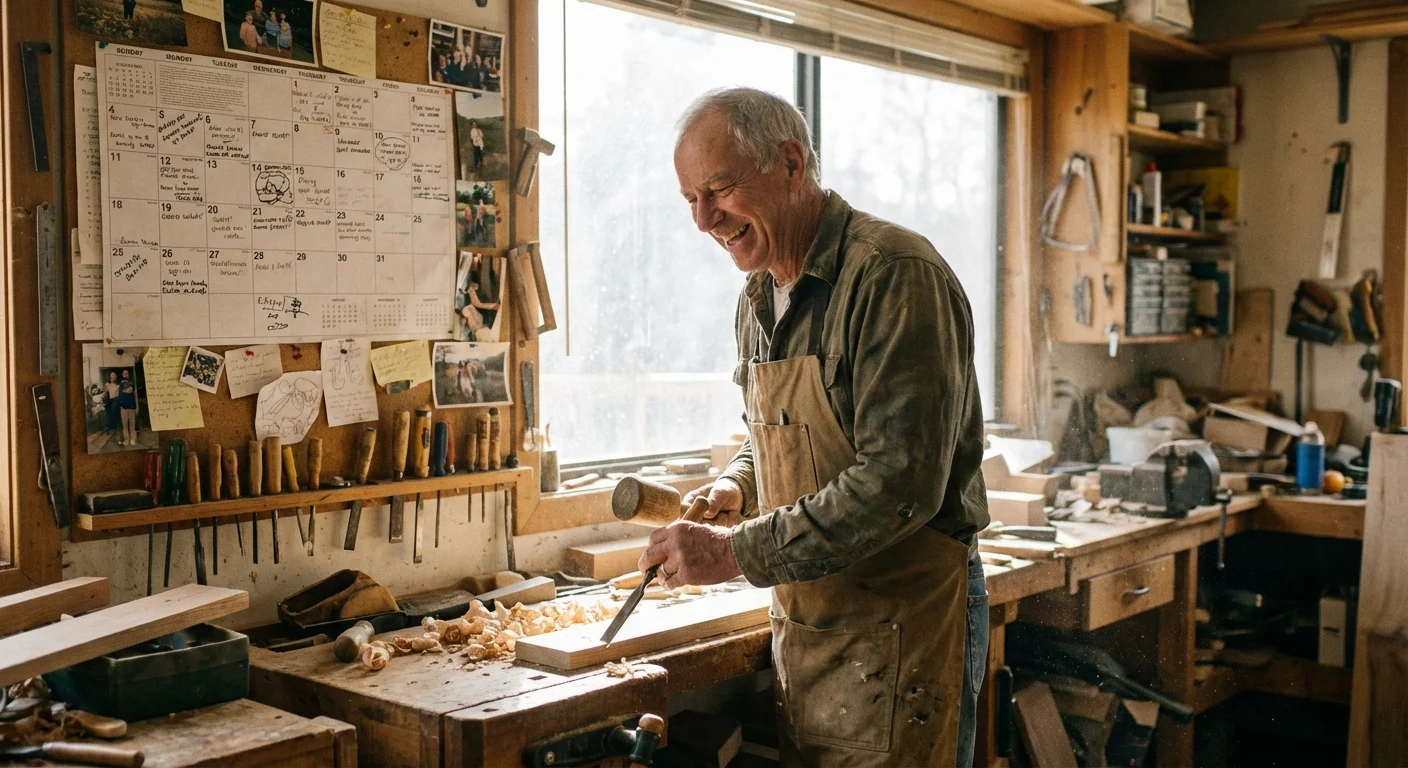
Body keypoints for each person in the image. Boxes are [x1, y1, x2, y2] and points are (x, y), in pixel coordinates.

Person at [644, 87, 990, 767]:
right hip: (812, 623)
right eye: (690, 199)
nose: (705, 218)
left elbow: (898, 484)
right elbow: (778, 427)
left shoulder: (894, 275)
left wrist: (731, 552)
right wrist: (738, 482)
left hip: (903, 622)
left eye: (719, 189)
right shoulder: (758, 296)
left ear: (792, 164)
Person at [119, 370, 139, 447]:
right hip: (123, 408)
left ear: (128, 374)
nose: (125, 374)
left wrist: (136, 406)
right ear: (122, 374)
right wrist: (126, 391)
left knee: (132, 424)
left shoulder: (132, 382)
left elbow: (131, 391)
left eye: (126, 373)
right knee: (124, 425)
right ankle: (126, 439)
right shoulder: (120, 383)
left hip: (131, 407)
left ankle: (133, 439)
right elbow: (121, 393)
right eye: (123, 373)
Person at [103, 371, 121, 440]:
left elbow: (117, 394)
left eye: (114, 376)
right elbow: (105, 392)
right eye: (112, 375)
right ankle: (108, 427)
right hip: (109, 400)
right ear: (110, 376)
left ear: (116, 377)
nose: (113, 377)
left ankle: (113, 428)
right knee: (108, 414)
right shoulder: (107, 384)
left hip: (115, 400)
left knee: (114, 413)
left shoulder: (118, 385)